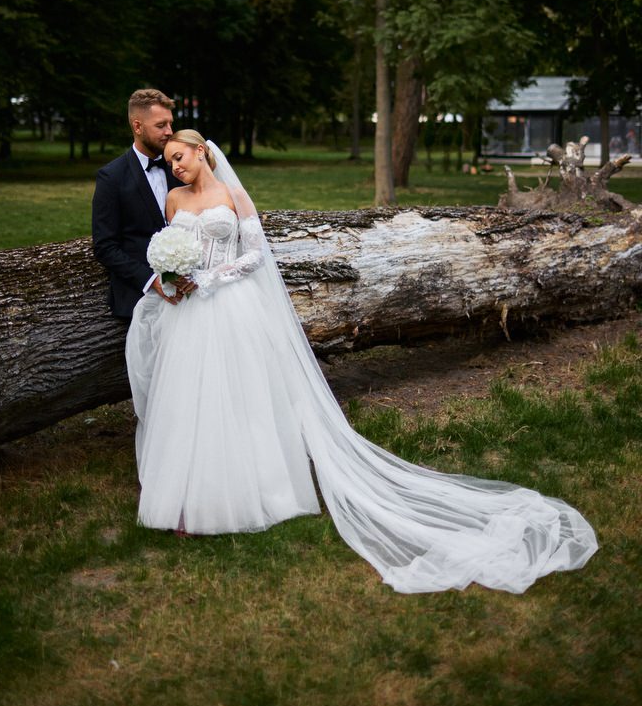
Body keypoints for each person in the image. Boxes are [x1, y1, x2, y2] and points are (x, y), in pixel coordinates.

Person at [125, 130, 598, 595]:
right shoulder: (174, 202)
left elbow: (254, 256)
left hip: (230, 305)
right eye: (169, 161)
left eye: (180, 156)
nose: (175, 167)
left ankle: (249, 495)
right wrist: (176, 275)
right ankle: (185, 502)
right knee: (191, 401)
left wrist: (210, 278)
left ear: (201, 151)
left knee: (238, 400)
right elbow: (173, 253)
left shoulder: (234, 195)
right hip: (188, 314)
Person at [92, 89, 184, 319]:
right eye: (161, 125)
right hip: (139, 296)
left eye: (170, 124)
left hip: (187, 292)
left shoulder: (180, 168)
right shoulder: (111, 177)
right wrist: (152, 281)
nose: (169, 132)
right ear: (137, 126)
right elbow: (105, 246)